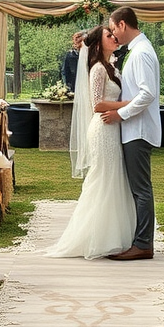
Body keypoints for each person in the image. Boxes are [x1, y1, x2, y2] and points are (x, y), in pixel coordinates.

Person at [47, 25, 136, 259]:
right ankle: (94, 237)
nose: (114, 37)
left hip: (112, 127)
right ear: (98, 44)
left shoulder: (111, 66)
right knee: (103, 178)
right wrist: (128, 104)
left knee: (114, 178)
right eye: (109, 36)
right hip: (103, 128)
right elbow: (97, 104)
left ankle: (113, 235)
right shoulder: (97, 69)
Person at [101, 6, 161, 260]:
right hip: (133, 128)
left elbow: (147, 94)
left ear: (123, 24)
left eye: (114, 28)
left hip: (138, 129)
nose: (114, 34)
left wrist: (119, 114)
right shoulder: (138, 50)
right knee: (137, 188)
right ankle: (138, 239)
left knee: (141, 189)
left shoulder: (141, 53)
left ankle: (143, 244)